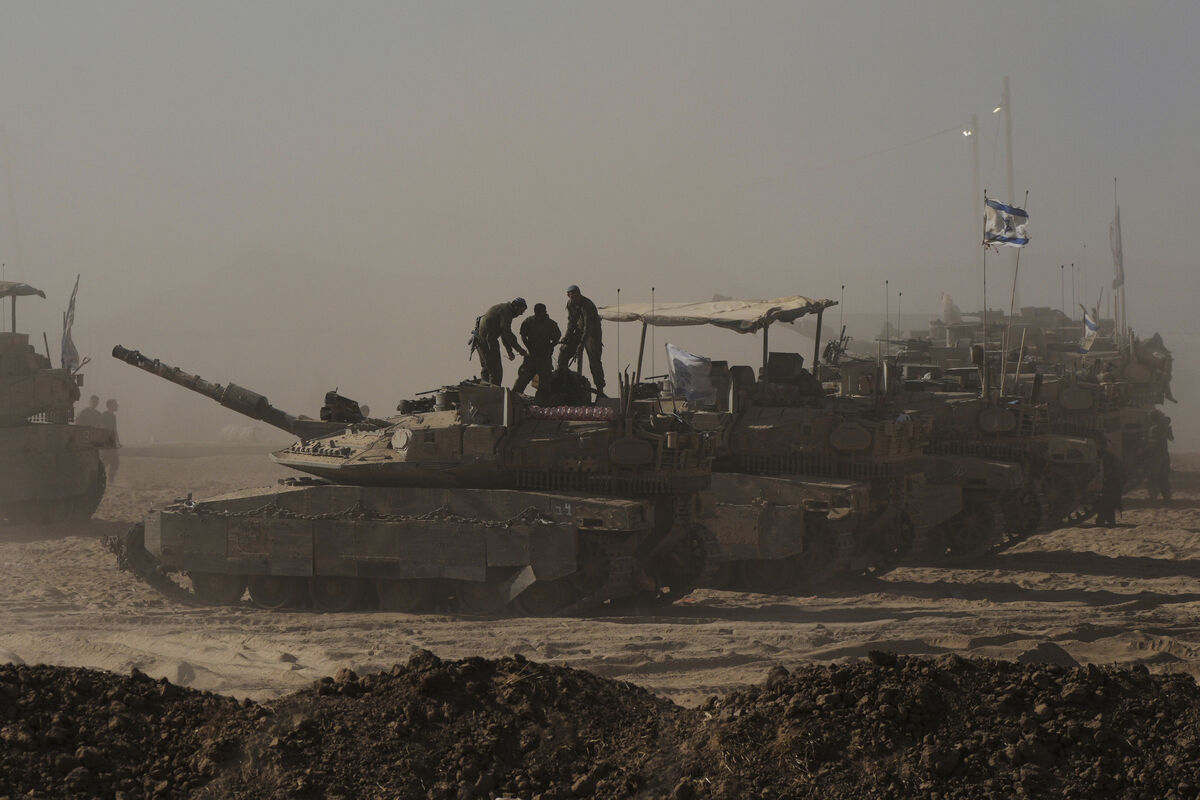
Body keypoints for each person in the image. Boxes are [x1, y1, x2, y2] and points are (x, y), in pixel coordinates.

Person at [557, 285, 605, 396]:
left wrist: (582, 343)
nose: (574, 298)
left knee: (594, 361)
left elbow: (588, 325)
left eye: (576, 295)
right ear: (568, 296)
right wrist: (567, 336)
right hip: (579, 331)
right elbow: (571, 322)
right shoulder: (570, 304)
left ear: (579, 293)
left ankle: (600, 387)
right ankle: (564, 380)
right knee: (564, 351)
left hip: (592, 334)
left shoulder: (587, 304)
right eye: (571, 296)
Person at [473, 298, 528, 386]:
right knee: (496, 371)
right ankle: (493, 392)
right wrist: (519, 349)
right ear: (516, 307)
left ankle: (485, 390)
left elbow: (503, 333)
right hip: (487, 341)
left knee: (487, 368)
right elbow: (506, 332)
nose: (521, 314)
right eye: (521, 311)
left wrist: (509, 351)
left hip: (481, 340)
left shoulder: (504, 309)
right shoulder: (506, 312)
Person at [513, 302, 561, 400]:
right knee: (522, 380)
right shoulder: (529, 321)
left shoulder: (551, 324)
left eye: (540, 312)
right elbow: (523, 335)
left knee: (545, 385)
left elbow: (556, 339)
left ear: (545, 312)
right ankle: (514, 399)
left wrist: (548, 347)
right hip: (531, 357)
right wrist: (529, 347)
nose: (539, 315)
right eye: (537, 313)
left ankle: (542, 403)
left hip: (544, 358)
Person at [1094, 436, 1124, 528]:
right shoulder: (1108, 456)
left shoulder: (1106, 457)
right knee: (1105, 502)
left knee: (1107, 502)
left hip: (1111, 483)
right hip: (1111, 483)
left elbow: (1108, 471)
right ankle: (1102, 520)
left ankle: (1108, 521)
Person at [1146, 410, 1174, 503]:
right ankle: (1167, 496)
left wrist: (1143, 451)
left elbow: (1152, 445)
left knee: (1153, 476)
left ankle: (1153, 497)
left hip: (1156, 455)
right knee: (1164, 477)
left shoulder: (1154, 429)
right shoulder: (1165, 427)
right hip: (1165, 454)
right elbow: (1171, 438)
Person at [99, 398, 121, 484]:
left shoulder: (113, 416)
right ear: (111, 406)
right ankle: (100, 478)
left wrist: (117, 441)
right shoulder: (104, 415)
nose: (117, 406)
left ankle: (110, 479)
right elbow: (102, 427)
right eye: (115, 404)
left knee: (115, 461)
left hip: (111, 441)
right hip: (106, 441)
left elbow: (114, 429)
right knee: (107, 461)